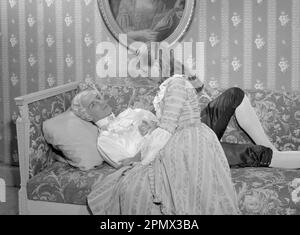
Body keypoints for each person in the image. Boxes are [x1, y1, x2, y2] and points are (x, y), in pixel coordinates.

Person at [71, 77, 240, 215]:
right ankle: (262, 155)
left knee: (229, 100)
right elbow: (127, 163)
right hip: (165, 154)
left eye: (99, 97)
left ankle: (261, 153)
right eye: (93, 104)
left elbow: (166, 123)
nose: (101, 102)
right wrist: (149, 141)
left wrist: (155, 128)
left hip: (182, 136)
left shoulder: (135, 112)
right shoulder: (104, 140)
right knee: (213, 147)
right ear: (87, 115)